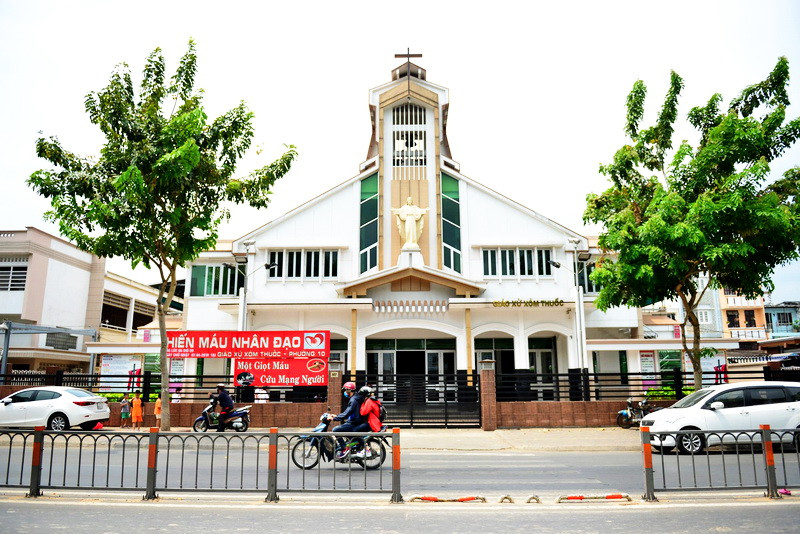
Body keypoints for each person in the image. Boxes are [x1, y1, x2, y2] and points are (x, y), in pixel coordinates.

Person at [332, 381, 365, 455]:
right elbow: (347, 412)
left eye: (345, 390)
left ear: (349, 390)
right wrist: (337, 416)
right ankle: (351, 445)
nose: (344, 392)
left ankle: (344, 448)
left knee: (335, 430)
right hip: (354, 421)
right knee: (344, 428)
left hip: (354, 422)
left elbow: (348, 412)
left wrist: (335, 418)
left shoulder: (353, 400)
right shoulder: (355, 398)